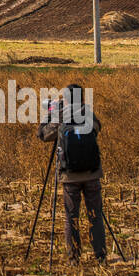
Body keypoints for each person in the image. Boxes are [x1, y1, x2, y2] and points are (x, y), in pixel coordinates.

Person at [37, 84, 106, 263]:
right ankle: (100, 255)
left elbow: (43, 134)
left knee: (71, 216)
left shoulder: (61, 116)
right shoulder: (88, 114)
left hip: (69, 176)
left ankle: (74, 257)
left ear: (66, 99)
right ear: (82, 98)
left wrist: (51, 114)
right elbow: (97, 129)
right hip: (92, 173)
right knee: (95, 215)